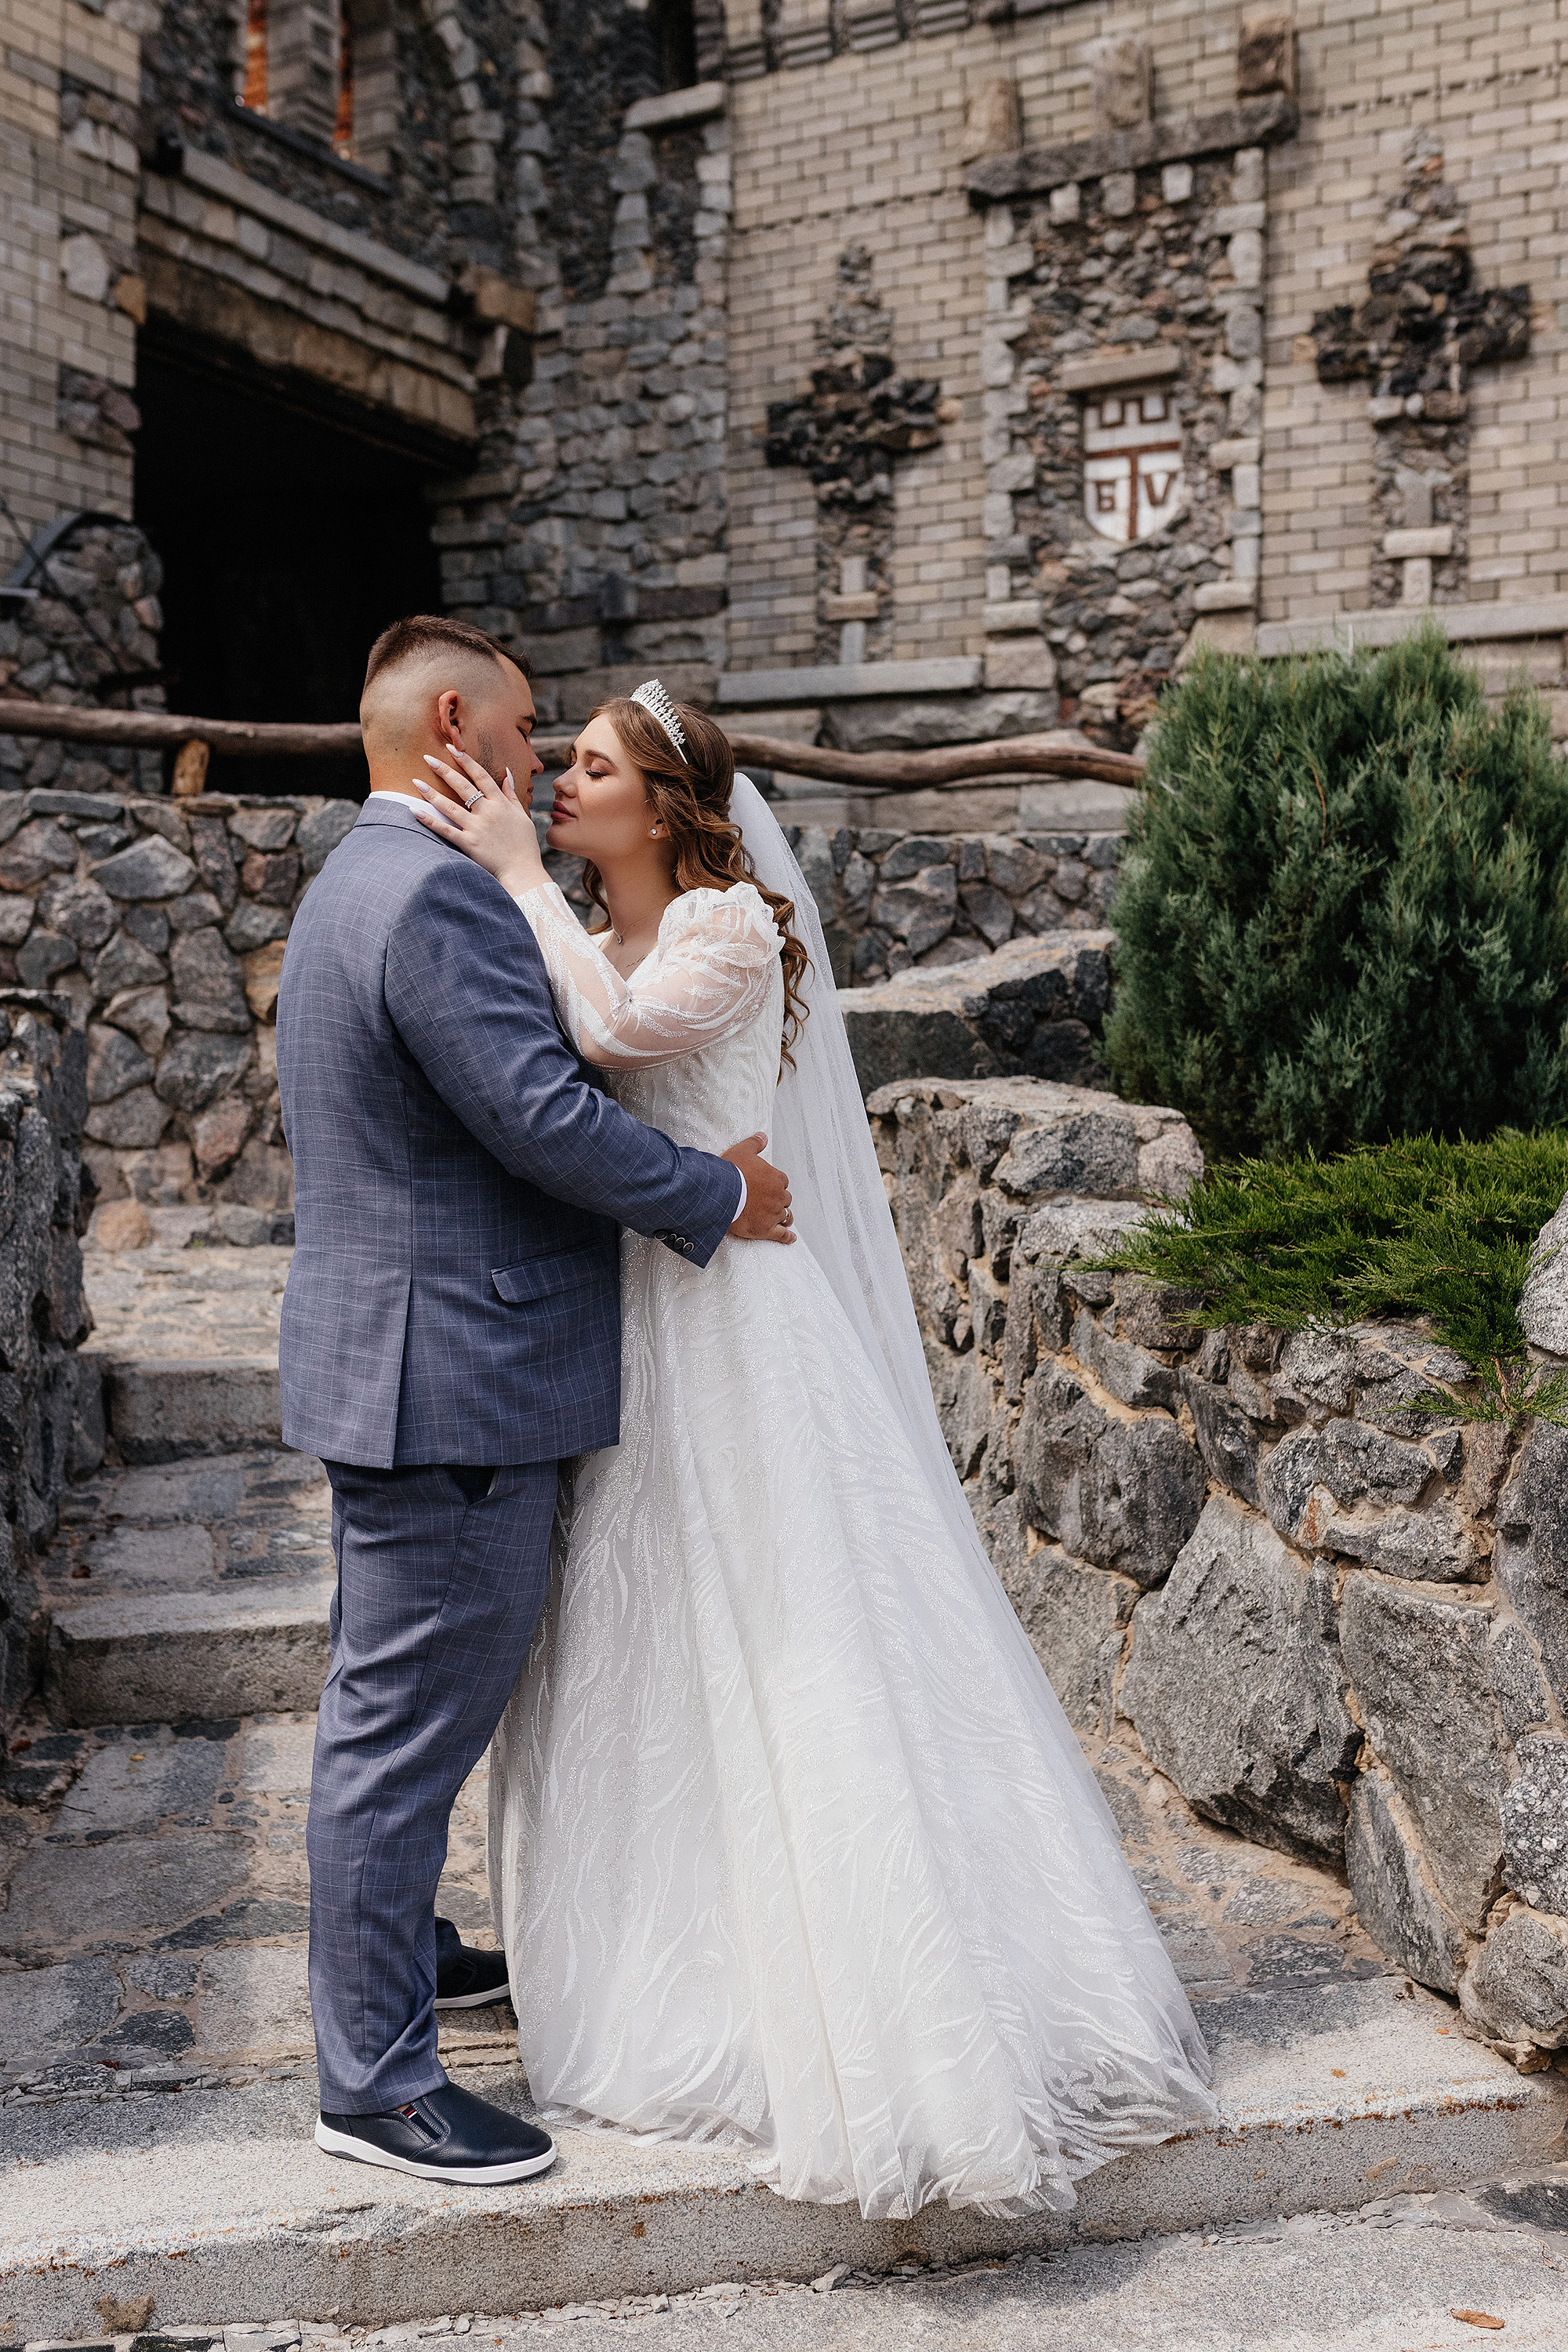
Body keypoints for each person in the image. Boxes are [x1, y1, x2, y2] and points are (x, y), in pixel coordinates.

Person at [409, 680, 1217, 2220]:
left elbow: (616, 1034)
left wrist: (513, 871)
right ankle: (663, 1963)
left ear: (667, 807)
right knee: (650, 1644)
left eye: (593, 768)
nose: (562, 784)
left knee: (794, 1638)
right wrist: (521, 890)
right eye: (562, 765)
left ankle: (886, 2012)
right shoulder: (586, 925)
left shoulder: (724, 927)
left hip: (738, 1322)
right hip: (631, 1317)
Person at [276, 619, 795, 2187]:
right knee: (396, 1733)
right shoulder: (439, 891)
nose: (535, 761)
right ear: (454, 720)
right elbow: (543, 1118)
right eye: (520, 731)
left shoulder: (356, 873)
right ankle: (376, 2087)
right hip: (455, 1376)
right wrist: (712, 1192)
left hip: (404, 1360)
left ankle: (405, 1955)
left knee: (396, 1706)